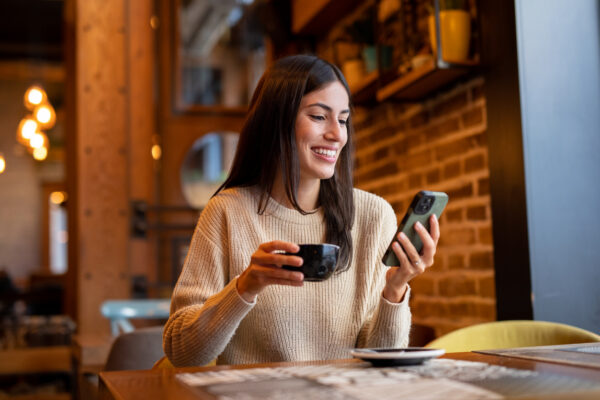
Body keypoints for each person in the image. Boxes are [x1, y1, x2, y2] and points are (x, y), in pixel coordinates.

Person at [163, 54, 440, 367]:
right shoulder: (227, 213)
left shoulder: (373, 216)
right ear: (277, 121)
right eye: (319, 117)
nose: (337, 134)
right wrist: (245, 286)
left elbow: (379, 365)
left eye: (343, 119)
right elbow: (182, 352)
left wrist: (395, 288)